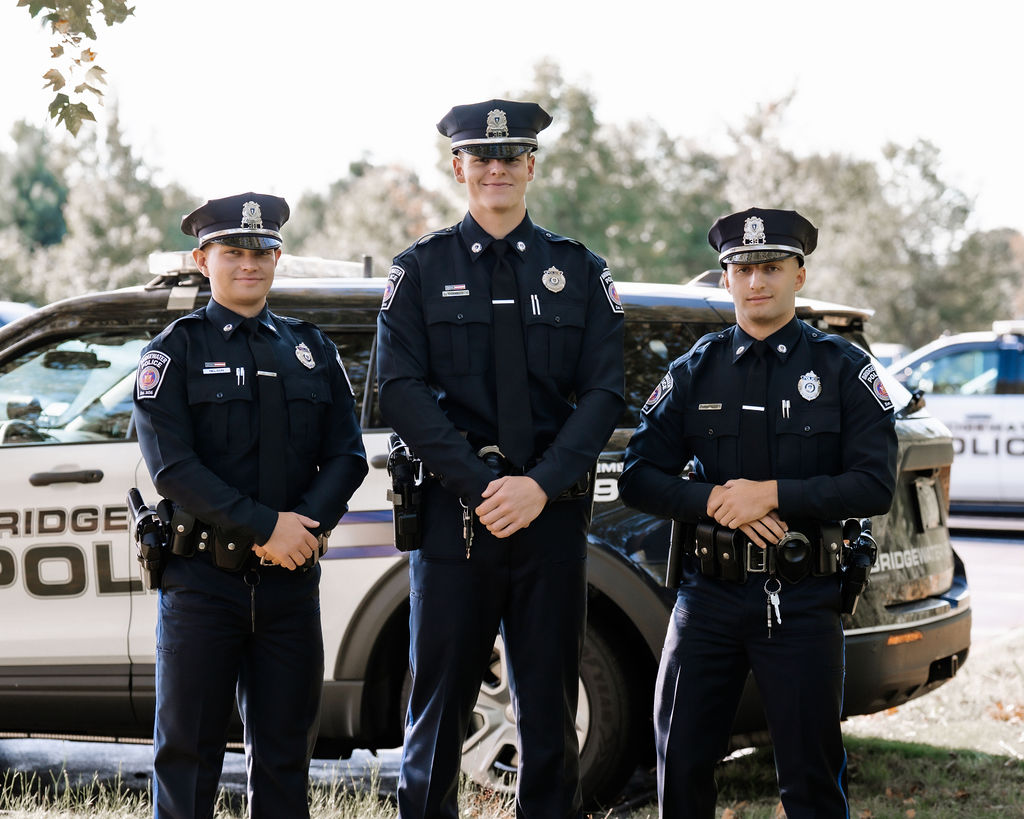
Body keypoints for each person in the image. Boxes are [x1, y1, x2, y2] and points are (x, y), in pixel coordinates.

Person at [376, 99, 626, 819]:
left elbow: (604, 393)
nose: (495, 168)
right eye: (481, 158)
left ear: (531, 167)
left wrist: (539, 486)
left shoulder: (579, 271)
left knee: (549, 709)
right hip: (455, 520)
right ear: (458, 167)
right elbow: (399, 391)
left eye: (509, 157)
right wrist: (486, 485)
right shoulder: (420, 271)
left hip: (549, 521)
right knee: (438, 711)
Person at [618, 207, 898, 818]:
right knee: (682, 763)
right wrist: (716, 500)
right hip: (707, 598)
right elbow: (638, 476)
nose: (755, 282)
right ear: (726, 280)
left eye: (770, 266)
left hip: (801, 597)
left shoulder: (844, 369)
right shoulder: (696, 370)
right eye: (741, 269)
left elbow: (875, 484)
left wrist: (772, 494)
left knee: (810, 775)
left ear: (799, 274)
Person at [133, 192, 368, 819]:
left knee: (287, 754)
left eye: (261, 251)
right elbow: (173, 469)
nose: (249, 263)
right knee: (187, 755)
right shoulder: (173, 351)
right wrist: (267, 526)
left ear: (277, 257)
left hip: (290, 584)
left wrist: (301, 530)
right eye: (232, 252)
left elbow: (347, 457)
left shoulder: (311, 349)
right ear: (202, 259)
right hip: (203, 584)